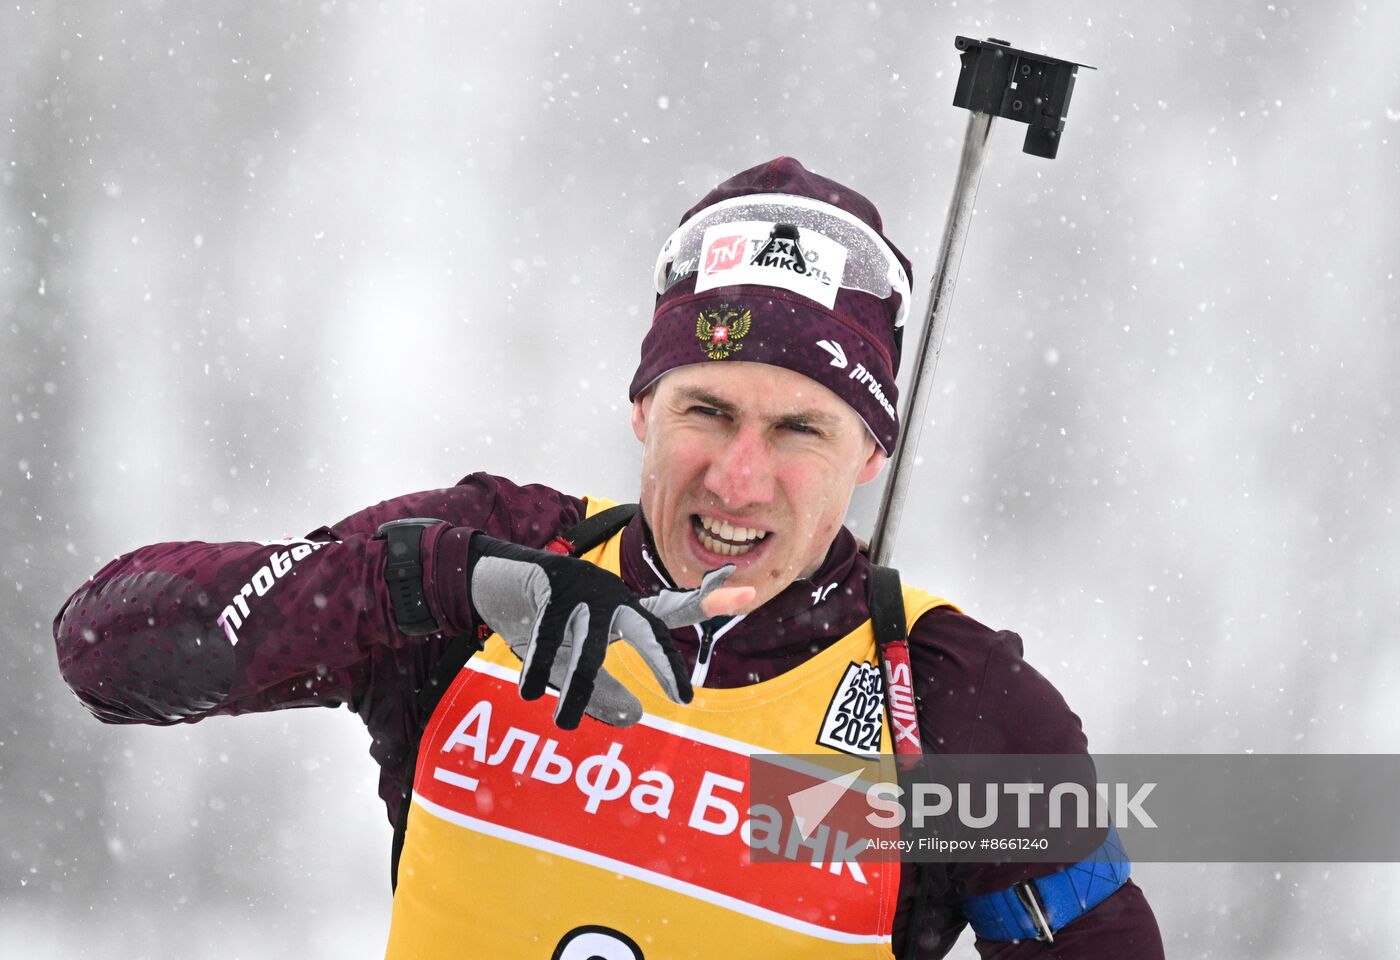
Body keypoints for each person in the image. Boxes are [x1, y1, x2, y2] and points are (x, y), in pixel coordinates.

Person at [54, 157, 1164, 958]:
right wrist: (440, 580)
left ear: (871, 451)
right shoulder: (495, 561)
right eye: (705, 411)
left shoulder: (956, 706)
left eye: (797, 429)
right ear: (641, 408)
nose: (737, 478)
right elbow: (108, 650)